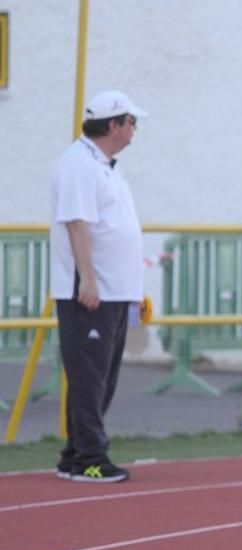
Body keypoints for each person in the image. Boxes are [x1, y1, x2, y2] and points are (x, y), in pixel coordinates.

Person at [50, 90, 148, 483]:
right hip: (93, 288)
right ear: (113, 125)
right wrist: (87, 278)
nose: (134, 129)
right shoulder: (78, 163)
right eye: (131, 122)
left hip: (115, 288)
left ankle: (76, 455)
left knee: (99, 374)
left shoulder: (106, 165)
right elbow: (77, 222)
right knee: (90, 375)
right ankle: (91, 457)